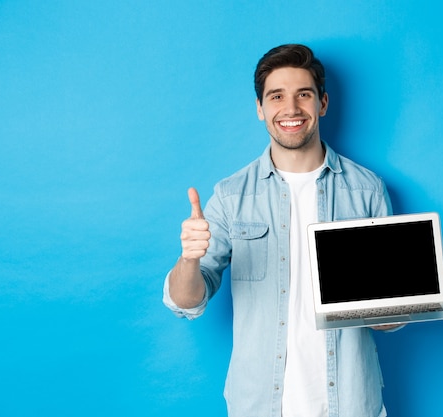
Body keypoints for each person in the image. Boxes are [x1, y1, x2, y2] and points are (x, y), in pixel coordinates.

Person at [163, 43, 402, 417]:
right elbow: (186, 303)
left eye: (303, 95)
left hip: (353, 403)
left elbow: (389, 317)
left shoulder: (367, 190)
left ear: (322, 103)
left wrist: (401, 303)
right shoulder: (230, 196)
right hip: (259, 406)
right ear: (260, 109)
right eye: (276, 96)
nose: (290, 109)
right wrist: (189, 260)